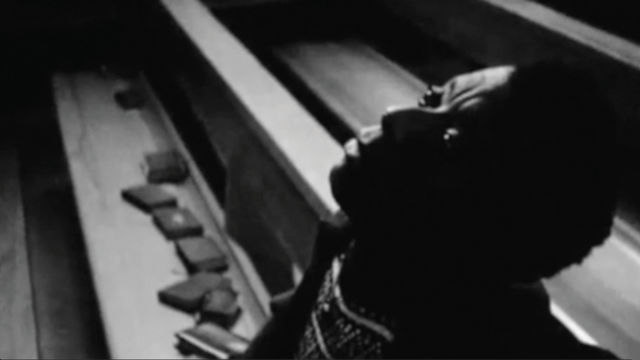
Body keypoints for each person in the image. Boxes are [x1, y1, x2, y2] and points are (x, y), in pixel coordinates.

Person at [243, 60, 618, 358]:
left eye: (452, 142)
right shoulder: (359, 231)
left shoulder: (497, 340)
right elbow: (288, 328)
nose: (394, 117)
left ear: (495, 226)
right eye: (431, 99)